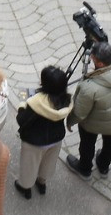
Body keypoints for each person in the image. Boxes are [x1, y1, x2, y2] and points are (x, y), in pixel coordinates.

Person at [64, 41, 111, 177]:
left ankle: (85, 168)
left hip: (91, 125)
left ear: (100, 64)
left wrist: (70, 121)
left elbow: (80, 113)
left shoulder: (89, 87)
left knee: (87, 145)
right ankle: (103, 166)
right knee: (110, 143)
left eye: (93, 58)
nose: (90, 58)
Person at [13, 65, 70, 198]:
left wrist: (22, 105)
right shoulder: (66, 99)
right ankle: (42, 183)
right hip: (55, 139)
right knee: (48, 163)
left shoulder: (35, 102)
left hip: (34, 141)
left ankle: (26, 188)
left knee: (29, 165)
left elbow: (21, 120)